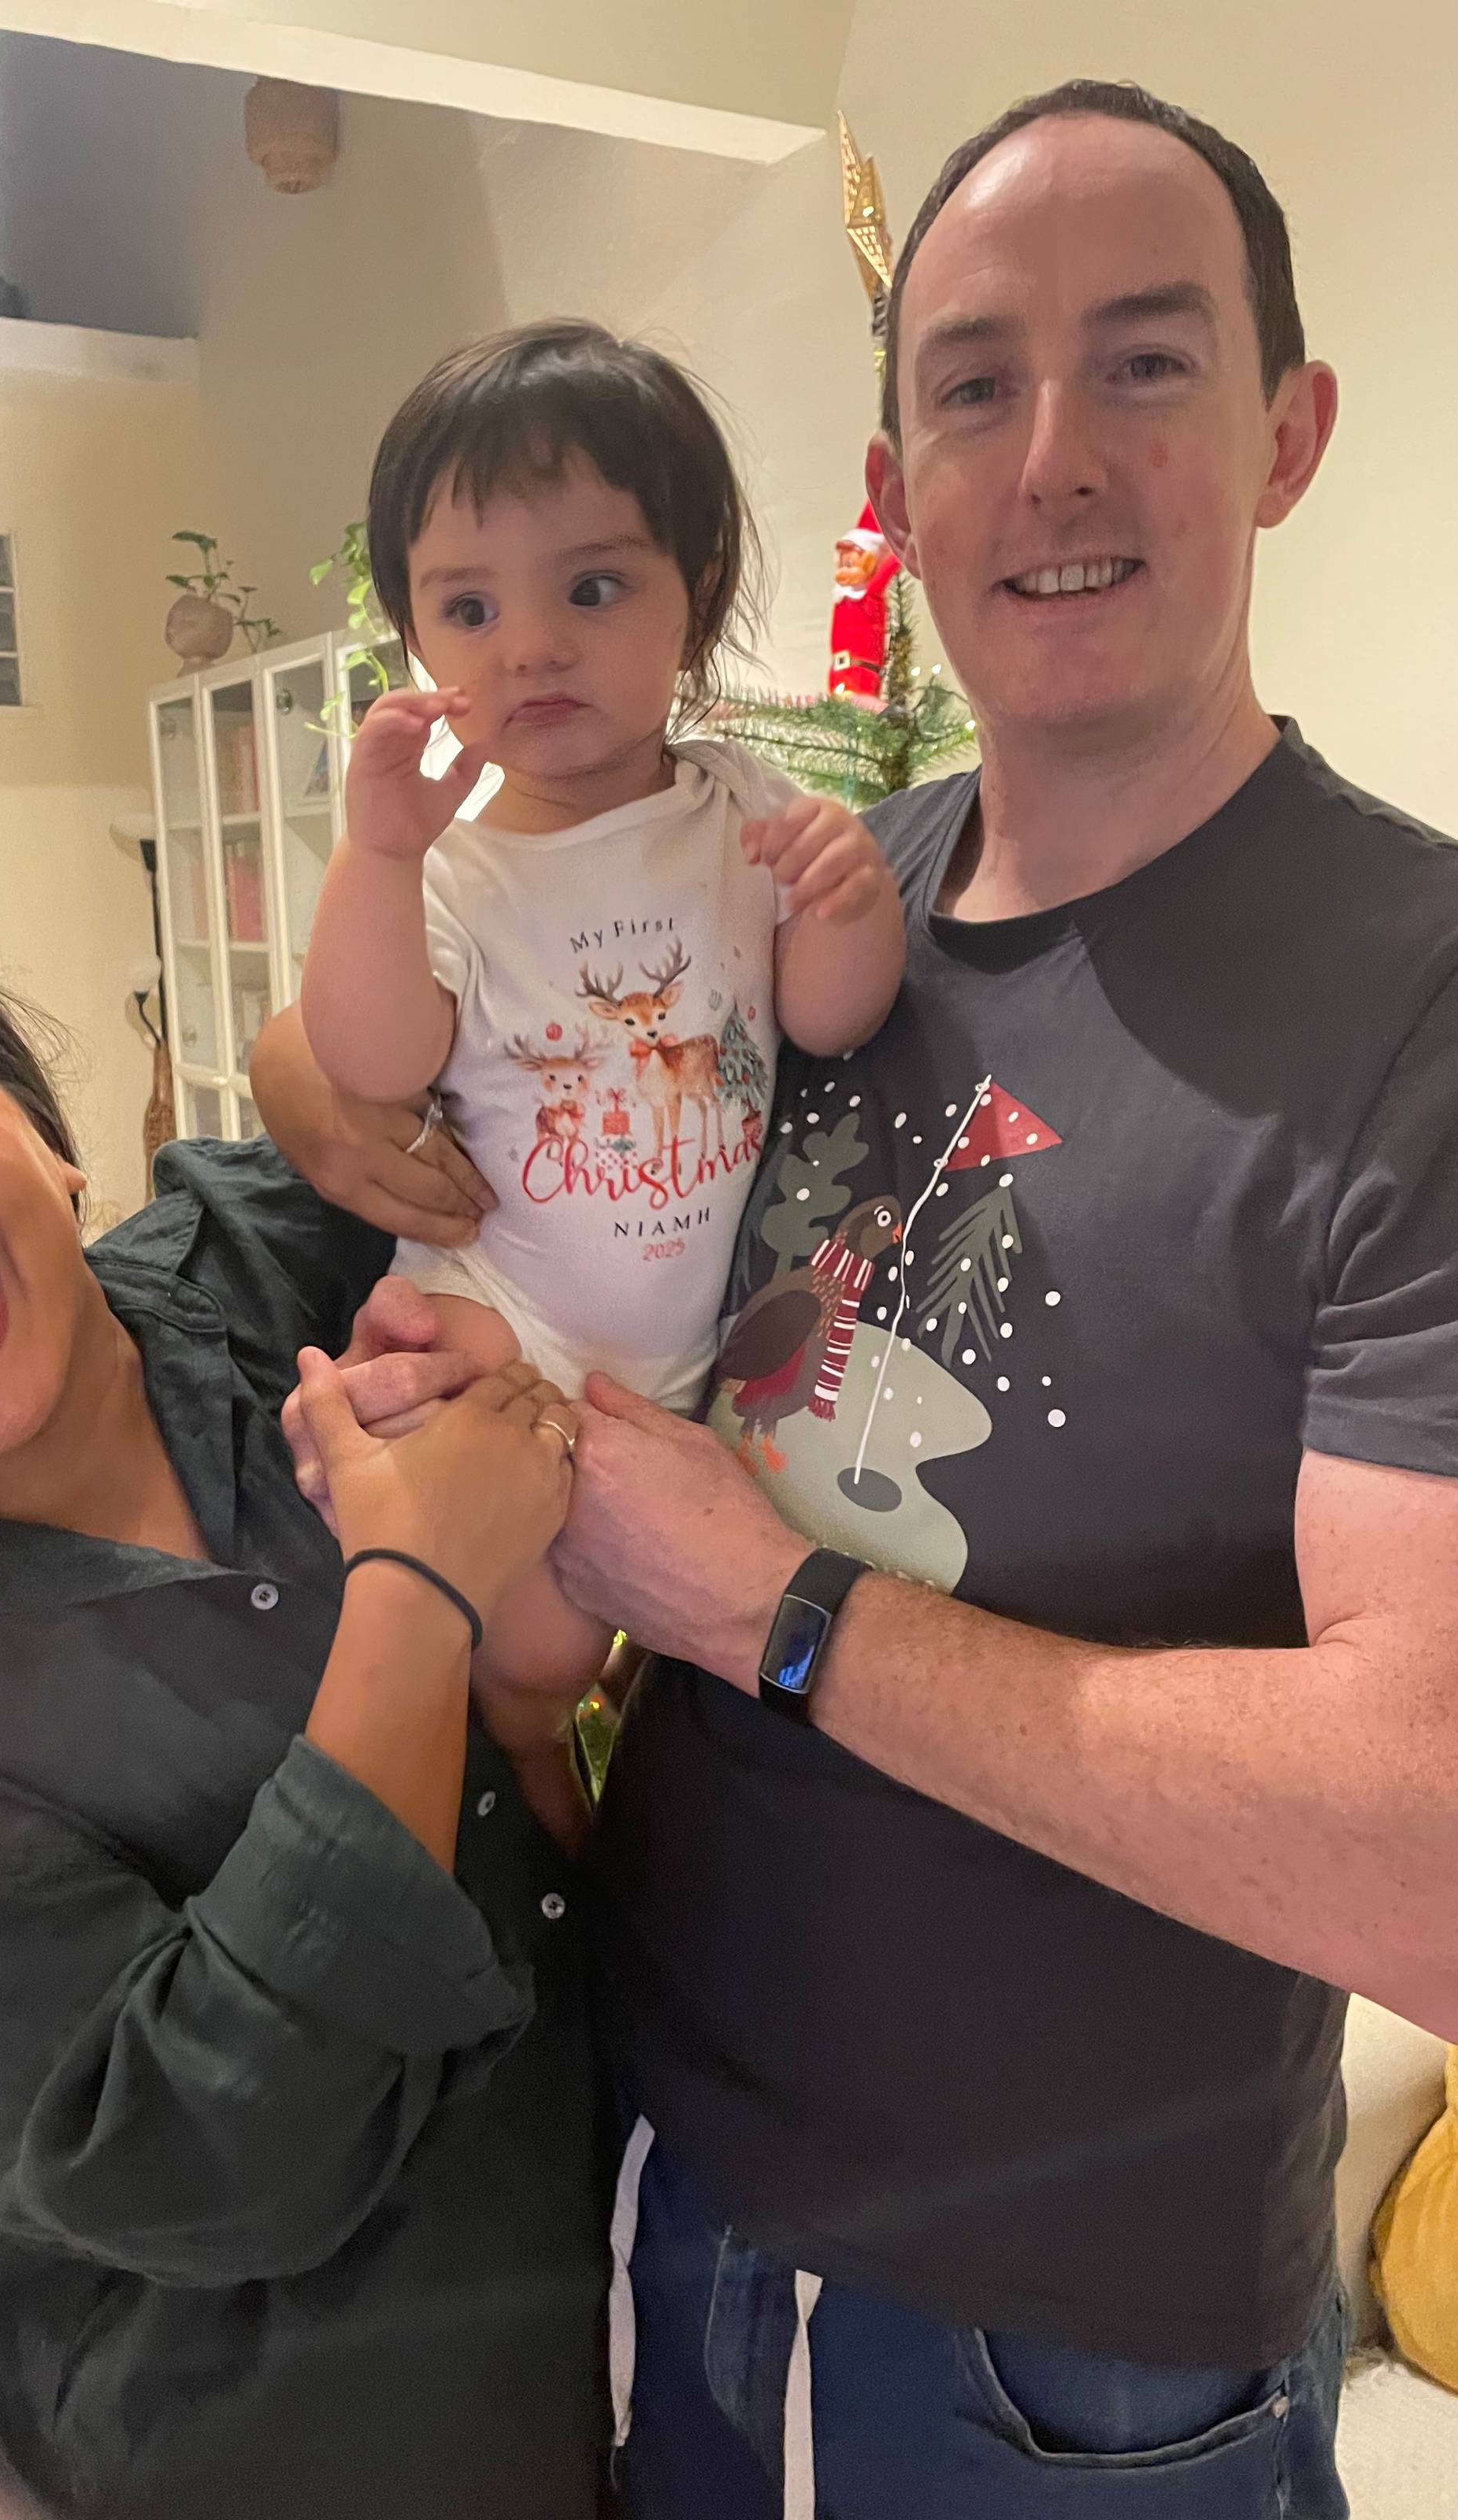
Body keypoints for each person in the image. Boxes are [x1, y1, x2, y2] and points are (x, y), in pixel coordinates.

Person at [253, 77, 1458, 2520]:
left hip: (1055, 2342)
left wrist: (771, 1605)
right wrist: (320, 1081)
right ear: (895, 483)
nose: (1050, 459)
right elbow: (506, 1048)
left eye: (1146, 361)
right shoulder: (818, 883)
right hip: (658, 2156)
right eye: (973, 385)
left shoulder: (1438, 1011)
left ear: (1288, 432)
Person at [0, 879, 611, 2520]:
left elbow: (520, 1065)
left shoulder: (251, 1268)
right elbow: (224, 2157)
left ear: (41, 1127)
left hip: (600, 2358)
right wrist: (417, 1596)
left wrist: (308, 1062)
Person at [297, 320, 903, 1690]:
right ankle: (530, 1757)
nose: (531, 646)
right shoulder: (448, 863)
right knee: (536, 1646)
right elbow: (372, 1059)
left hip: (699, 1346)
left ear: (696, 592)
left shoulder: (744, 807)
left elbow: (828, 1020)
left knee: (671, 1613)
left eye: (592, 587)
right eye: (469, 611)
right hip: (503, 1312)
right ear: (414, 634)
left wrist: (852, 902)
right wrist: (377, 858)